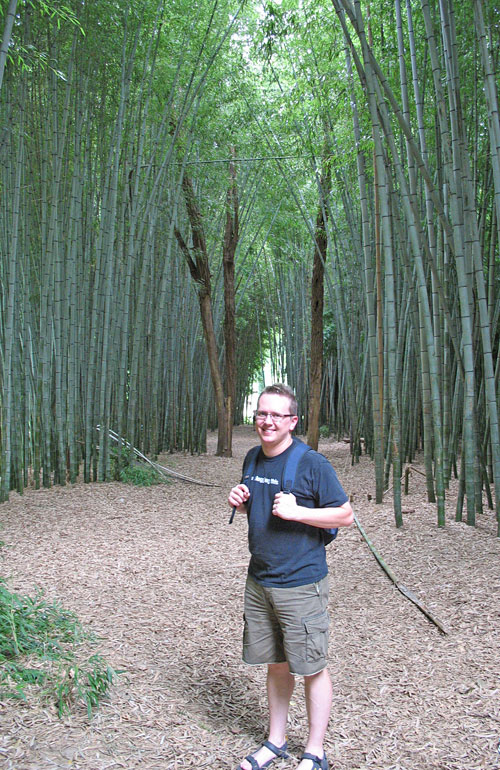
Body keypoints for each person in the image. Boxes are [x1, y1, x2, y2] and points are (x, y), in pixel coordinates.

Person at [228, 383, 353, 770]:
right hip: (260, 578)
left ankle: (315, 751)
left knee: (311, 667)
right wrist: (242, 501)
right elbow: (262, 513)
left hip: (301, 581)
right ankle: (276, 741)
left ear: (293, 422)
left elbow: (345, 515)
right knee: (277, 664)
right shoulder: (252, 457)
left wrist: (299, 512)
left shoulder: (313, 463)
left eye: (276, 416)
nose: (267, 422)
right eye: (261, 414)